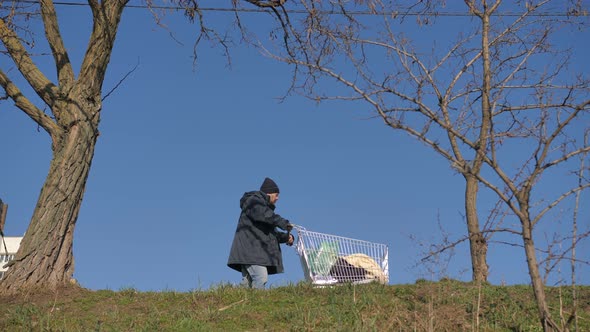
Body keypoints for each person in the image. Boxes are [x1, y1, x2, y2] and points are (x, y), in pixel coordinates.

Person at [227, 177, 294, 289]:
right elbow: (264, 214)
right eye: (276, 194)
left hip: (252, 252)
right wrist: (283, 222)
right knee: (260, 277)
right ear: (269, 193)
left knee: (247, 284)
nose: (278, 198)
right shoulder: (253, 202)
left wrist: (287, 237)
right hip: (251, 251)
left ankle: (242, 303)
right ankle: (257, 303)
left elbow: (272, 233)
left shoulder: (265, 211)